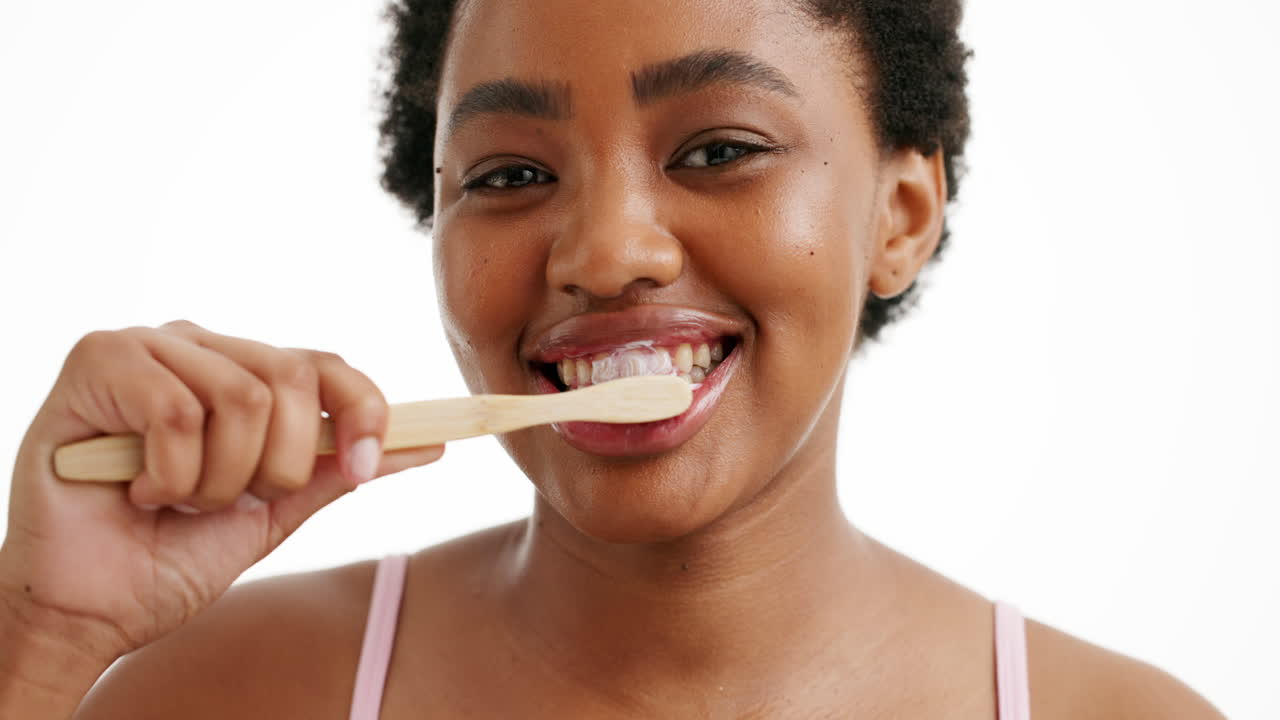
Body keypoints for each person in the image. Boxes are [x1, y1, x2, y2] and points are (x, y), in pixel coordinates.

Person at [0, 1, 1228, 717]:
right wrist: (43, 640)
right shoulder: (231, 695)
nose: (603, 252)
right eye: (510, 176)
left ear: (898, 218)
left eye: (716, 150)